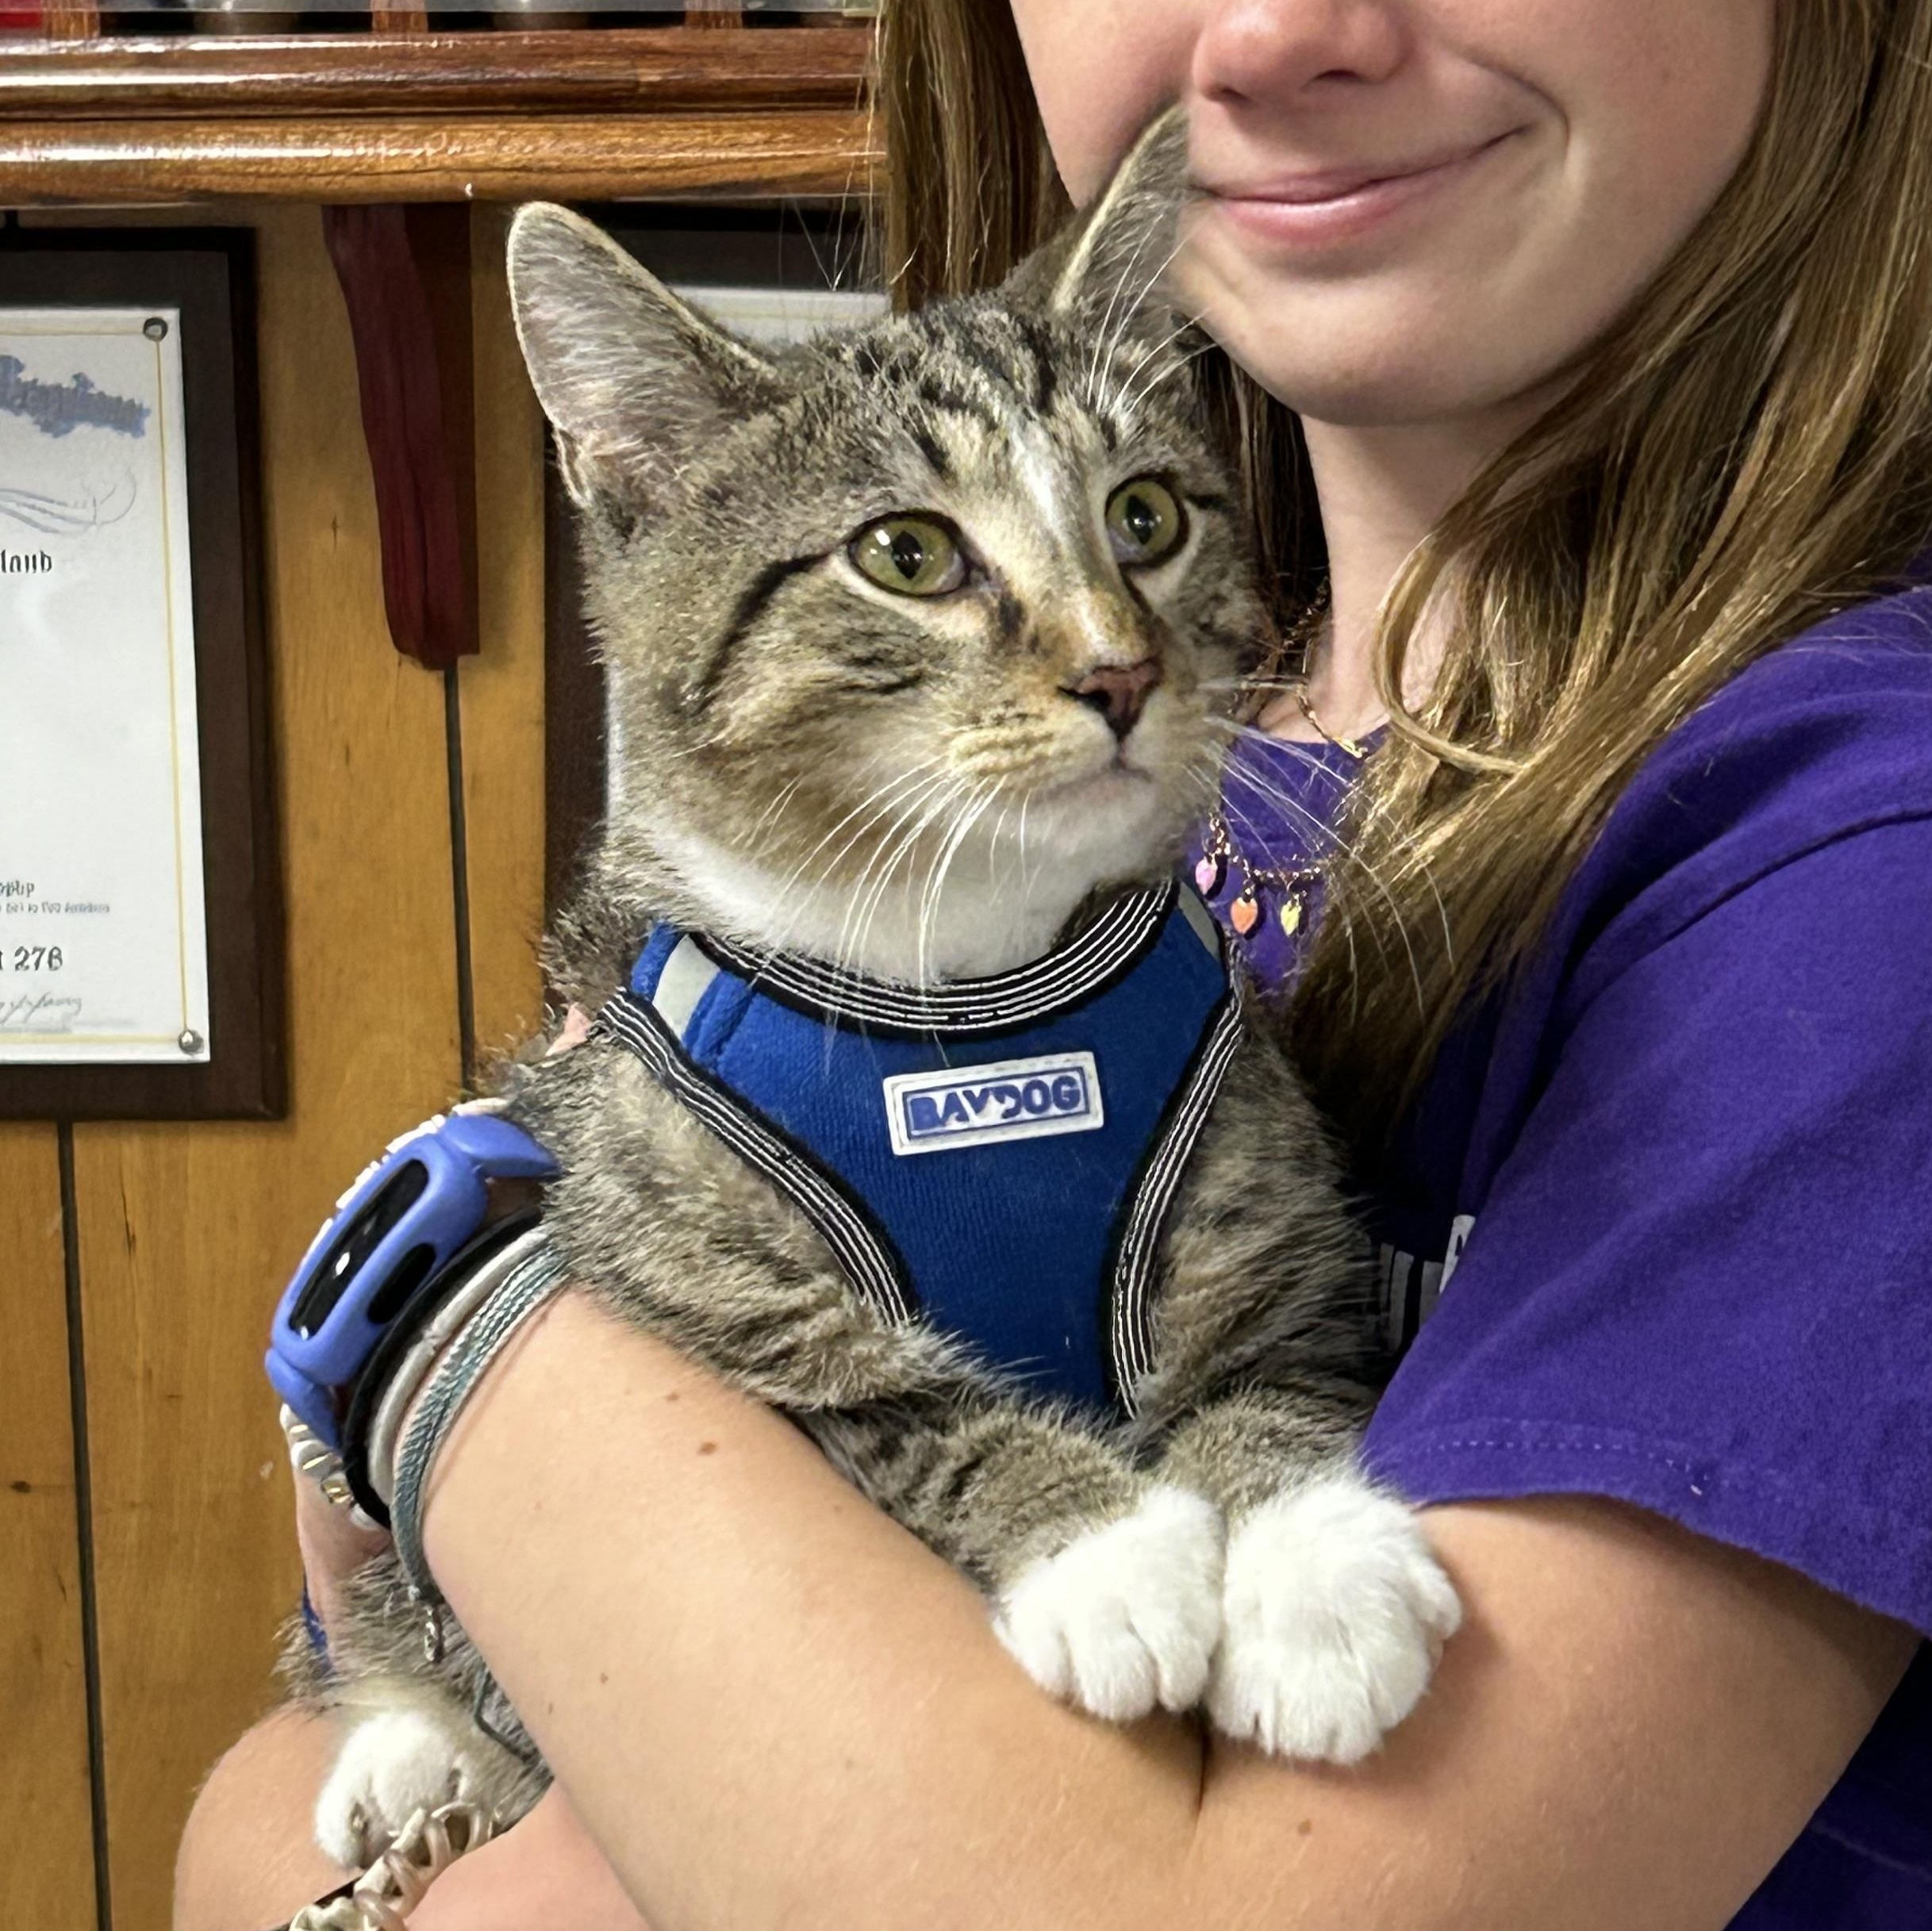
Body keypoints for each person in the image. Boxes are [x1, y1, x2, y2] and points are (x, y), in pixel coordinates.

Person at [177, 2, 1932, 1925]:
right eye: (924, 560)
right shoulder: (1185, 806)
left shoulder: (1856, 873)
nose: (1279, 32)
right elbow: (260, 1814)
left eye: (1137, 530)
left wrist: (445, 1326)